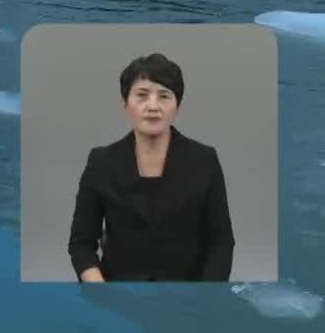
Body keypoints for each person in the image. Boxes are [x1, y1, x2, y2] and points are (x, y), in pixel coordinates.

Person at [66, 53, 234, 282]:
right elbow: (81, 244)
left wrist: (205, 299)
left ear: (178, 105)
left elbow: (221, 242)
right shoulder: (101, 162)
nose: (152, 106)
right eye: (142, 96)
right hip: (117, 299)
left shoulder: (204, 160)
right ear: (125, 104)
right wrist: (101, 292)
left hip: (188, 302)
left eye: (164, 96)